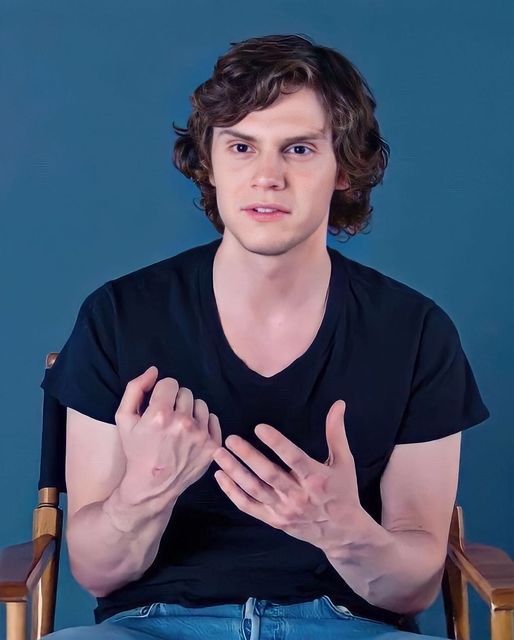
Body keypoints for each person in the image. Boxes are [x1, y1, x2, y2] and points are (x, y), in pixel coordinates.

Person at [40, 33, 490, 639]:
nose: (267, 176)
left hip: (347, 625)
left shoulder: (415, 332)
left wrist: (342, 528)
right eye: (242, 146)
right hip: (155, 627)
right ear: (212, 162)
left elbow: (412, 585)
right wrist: (145, 492)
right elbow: (96, 573)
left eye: (299, 148)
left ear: (345, 171)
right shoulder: (119, 316)